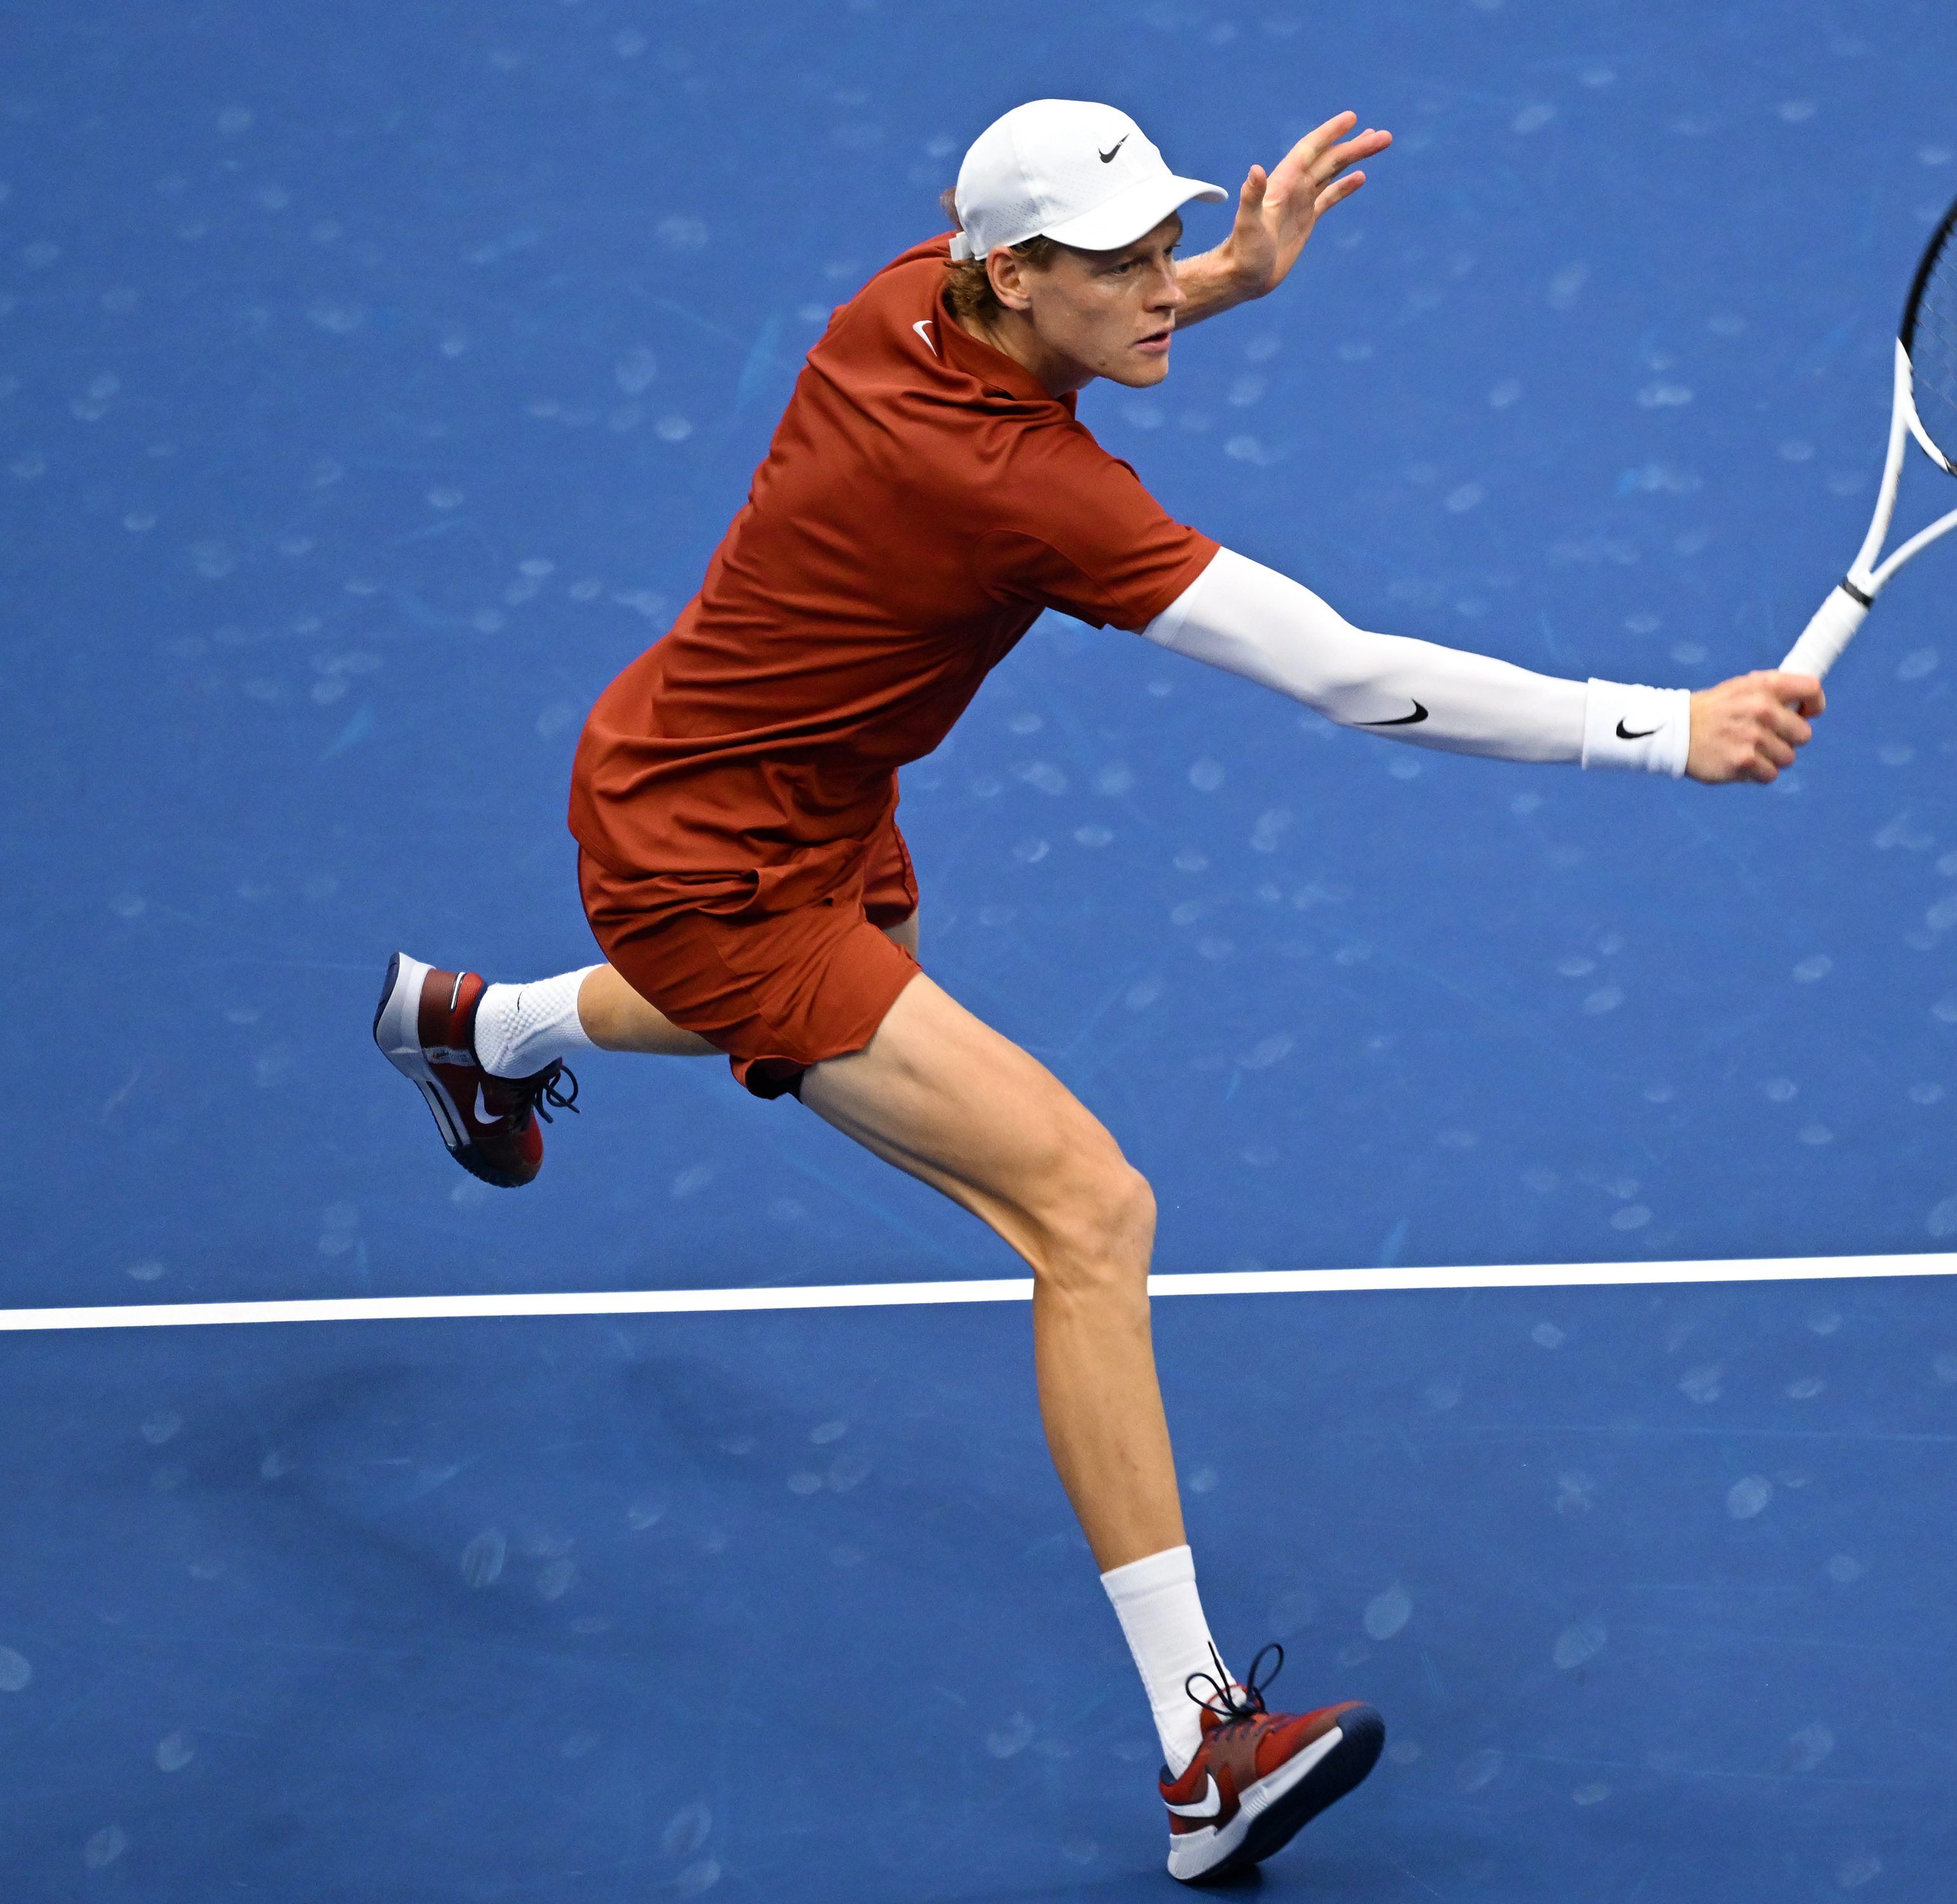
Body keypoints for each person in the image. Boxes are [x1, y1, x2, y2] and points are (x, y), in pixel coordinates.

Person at [373, 98, 1825, 1883]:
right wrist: (1661, 729)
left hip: (771, 793)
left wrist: (1230, 281)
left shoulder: (901, 298)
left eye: (1163, 248)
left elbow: (1058, 312)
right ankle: (1205, 1754)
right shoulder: (1019, 490)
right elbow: (1345, 675)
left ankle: (481, 1027)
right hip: (712, 866)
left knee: (821, 1014)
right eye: (1125, 263)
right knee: (1087, 1209)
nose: (1160, 285)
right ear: (1010, 271)